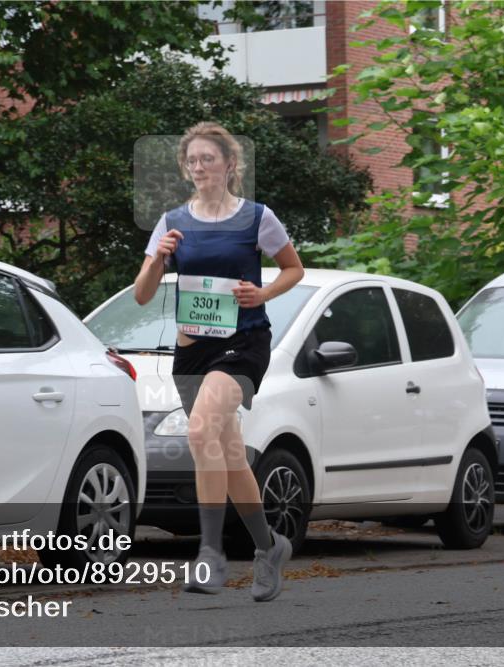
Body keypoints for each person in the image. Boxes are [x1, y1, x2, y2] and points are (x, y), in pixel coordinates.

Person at [134, 122, 304, 601]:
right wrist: (155, 260)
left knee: (200, 431)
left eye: (208, 158)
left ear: (230, 164)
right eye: (192, 161)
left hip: (243, 344)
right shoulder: (171, 223)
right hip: (192, 351)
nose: (199, 167)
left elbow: (294, 268)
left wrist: (264, 292)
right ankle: (269, 548)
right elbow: (143, 296)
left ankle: (210, 554)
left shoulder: (256, 218)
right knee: (228, 456)